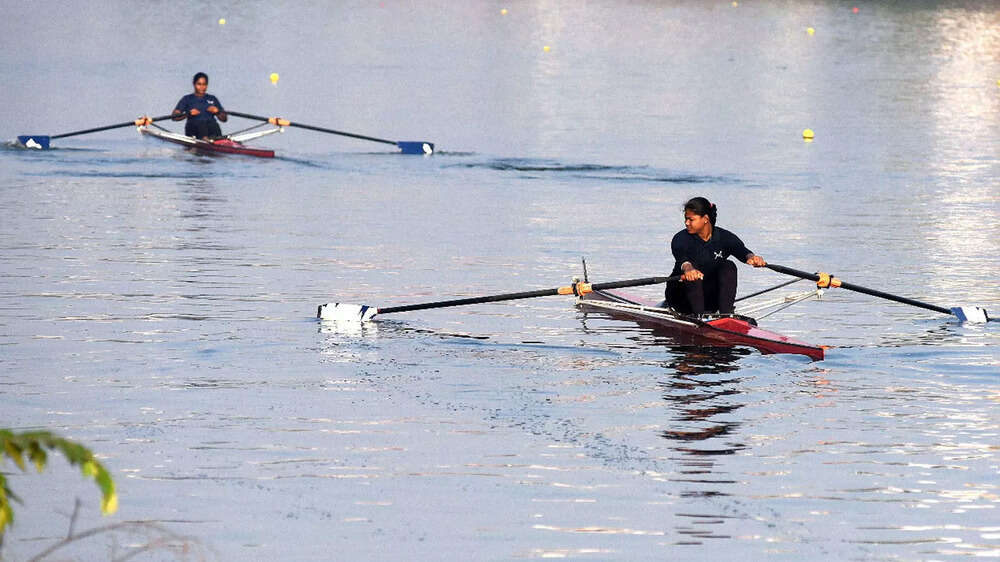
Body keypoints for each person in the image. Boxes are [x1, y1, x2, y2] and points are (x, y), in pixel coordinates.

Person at [664, 197, 767, 315]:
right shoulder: (681, 239)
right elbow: (683, 260)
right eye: (686, 219)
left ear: (705, 219)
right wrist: (689, 269)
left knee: (728, 265)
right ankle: (699, 317)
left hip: (711, 299)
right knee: (694, 269)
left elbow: (742, 251)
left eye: (690, 219)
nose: (686, 223)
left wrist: (752, 257)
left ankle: (726, 315)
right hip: (681, 298)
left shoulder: (724, 237)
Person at [172, 72, 227, 139]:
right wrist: (187, 114)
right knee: (200, 123)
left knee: (213, 124)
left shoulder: (212, 98)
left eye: (204, 84)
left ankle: (218, 140)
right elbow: (174, 116)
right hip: (193, 129)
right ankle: (206, 139)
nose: (202, 87)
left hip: (211, 128)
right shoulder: (187, 99)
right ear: (194, 84)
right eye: (199, 84)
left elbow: (224, 119)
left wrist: (217, 112)